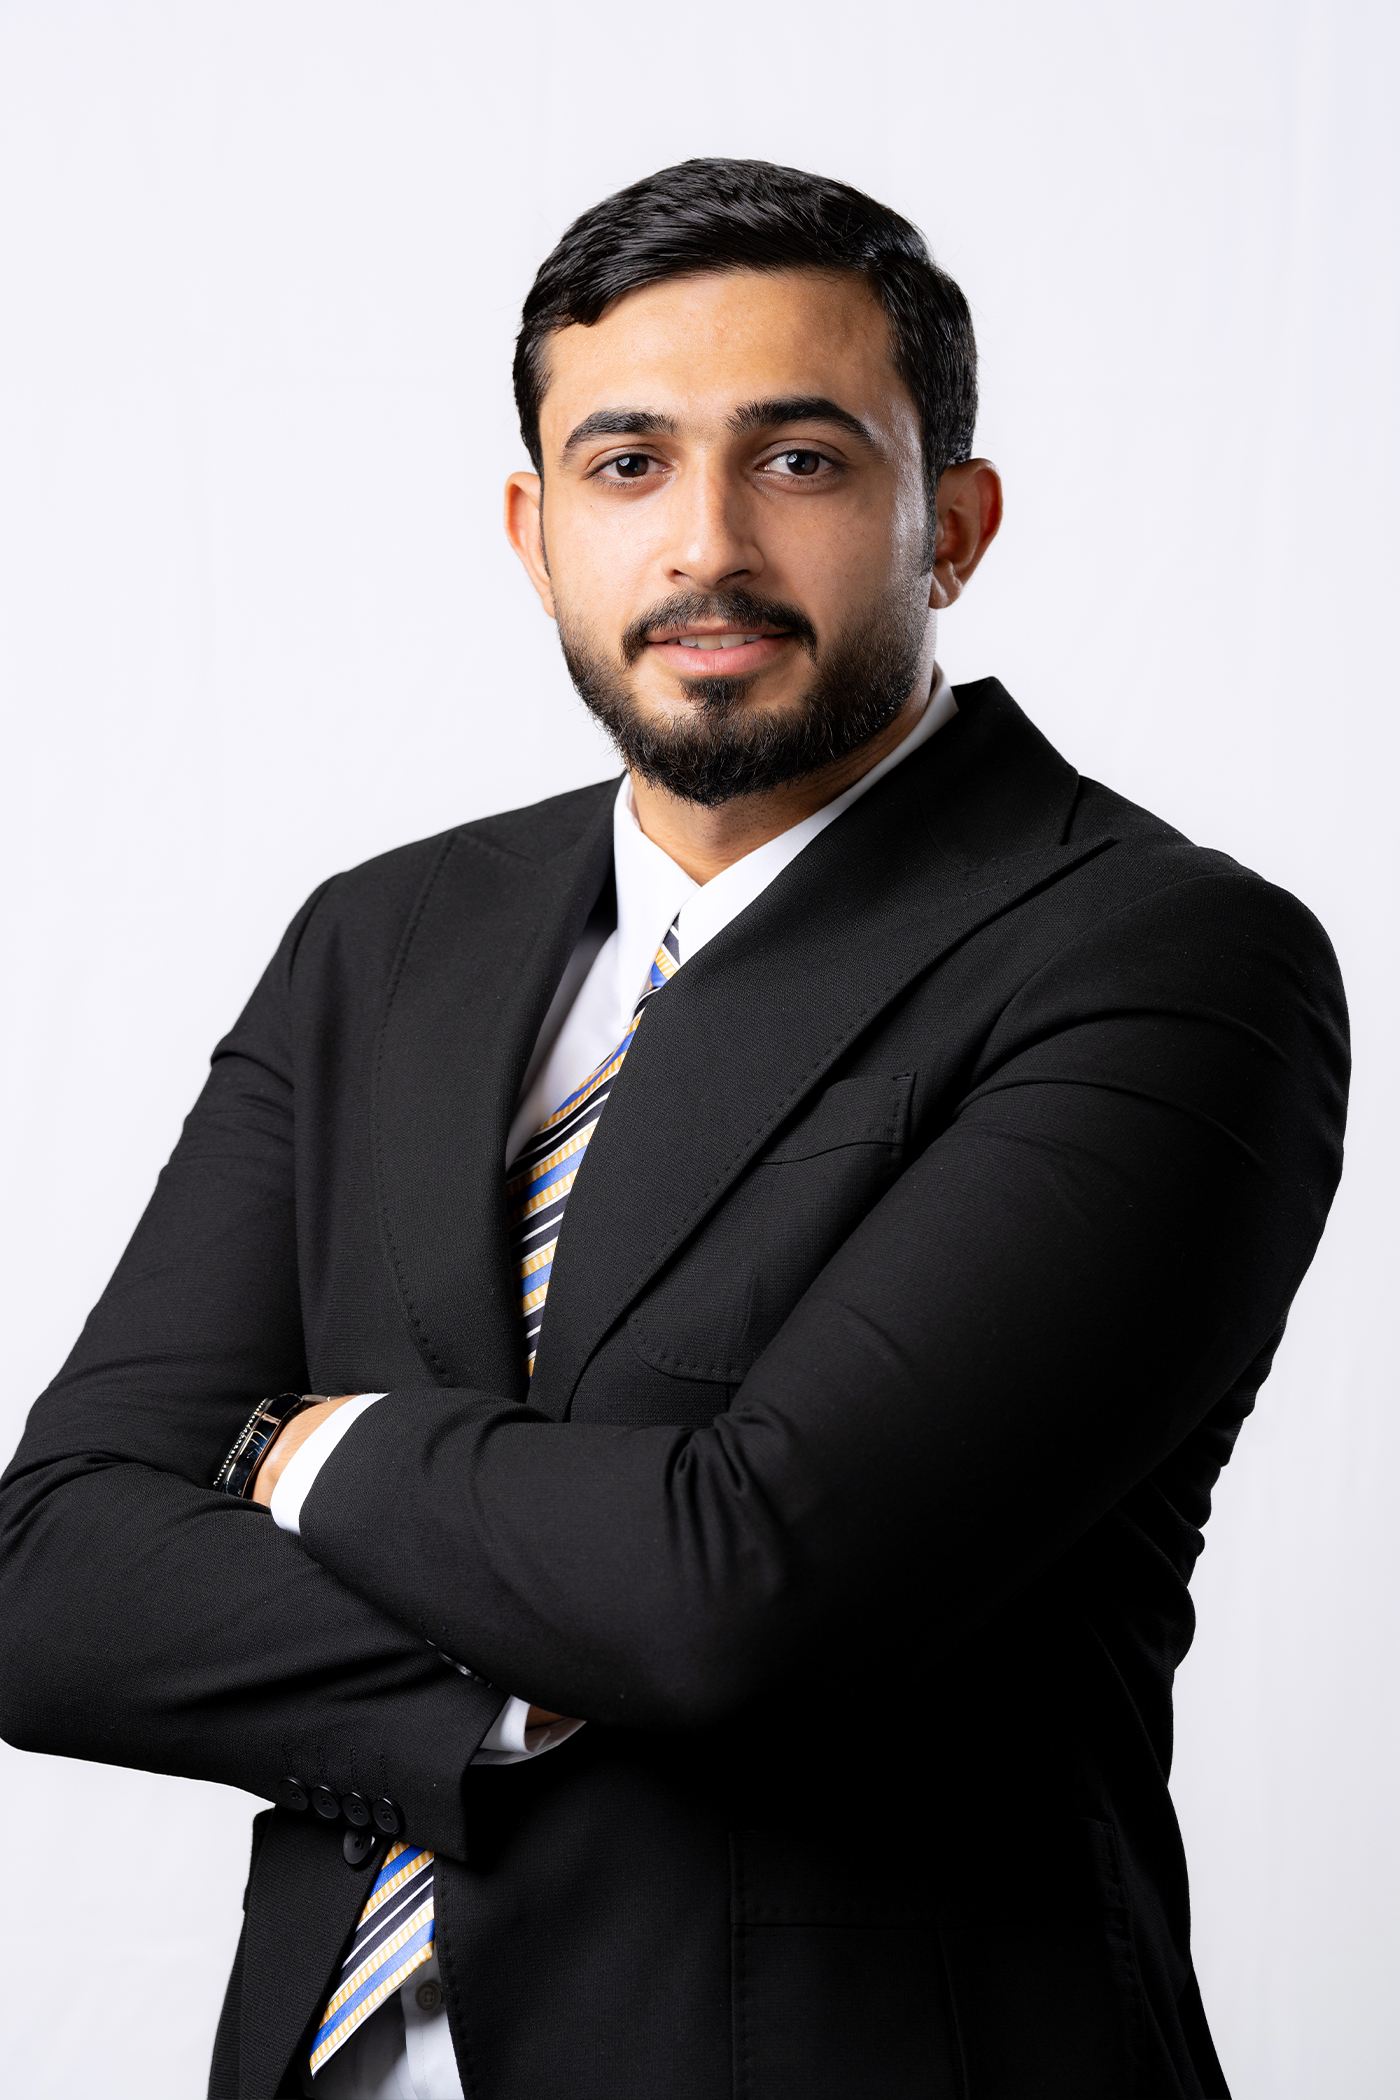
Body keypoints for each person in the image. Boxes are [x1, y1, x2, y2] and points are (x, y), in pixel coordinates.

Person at [0, 158, 1348, 2100]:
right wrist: (539, 1668)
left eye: (798, 461)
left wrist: (307, 1447)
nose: (705, 545)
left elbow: (738, 1590)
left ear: (953, 525)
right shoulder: (383, 939)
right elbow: (50, 1583)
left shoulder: (1161, 959)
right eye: (627, 465)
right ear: (536, 531)